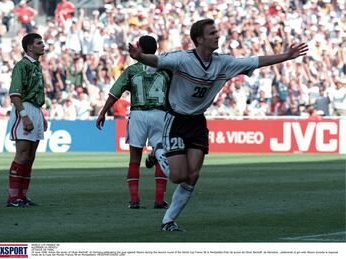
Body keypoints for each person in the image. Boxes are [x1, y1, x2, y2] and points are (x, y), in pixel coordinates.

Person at [128, 18, 308, 231]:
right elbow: (157, 61)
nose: (217, 35)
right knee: (178, 176)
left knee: (192, 176)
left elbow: (254, 61)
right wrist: (140, 57)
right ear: (200, 39)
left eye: (216, 32)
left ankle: (168, 221)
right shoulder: (182, 59)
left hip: (197, 122)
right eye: (212, 33)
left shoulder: (224, 62)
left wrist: (285, 56)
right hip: (176, 120)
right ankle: (158, 150)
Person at [96, 35, 169, 209]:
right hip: (160, 114)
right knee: (160, 156)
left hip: (138, 115)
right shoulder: (165, 69)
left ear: (140, 49)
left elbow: (115, 93)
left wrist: (103, 112)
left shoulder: (132, 70)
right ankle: (159, 200)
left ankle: (134, 200)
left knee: (134, 158)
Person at [7, 33, 47, 207]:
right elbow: (14, 94)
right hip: (24, 108)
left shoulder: (37, 66)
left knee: (30, 156)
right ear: (30, 47)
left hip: (36, 109)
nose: (43, 45)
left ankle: (22, 196)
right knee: (22, 155)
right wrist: (24, 116)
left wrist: (41, 116)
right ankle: (12, 197)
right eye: (39, 43)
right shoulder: (21, 65)